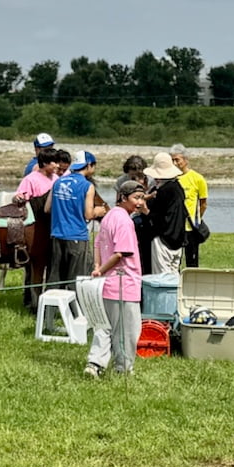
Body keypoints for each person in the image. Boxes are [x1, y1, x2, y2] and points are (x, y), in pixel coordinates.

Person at [85, 180, 147, 378]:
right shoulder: (125, 221)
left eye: (142, 198)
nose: (139, 202)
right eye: (136, 198)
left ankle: (94, 364)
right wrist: (100, 269)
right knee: (128, 331)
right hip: (124, 284)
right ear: (122, 197)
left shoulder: (109, 215)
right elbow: (120, 253)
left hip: (106, 286)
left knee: (104, 327)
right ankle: (123, 368)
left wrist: (97, 268)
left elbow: (97, 244)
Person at [44, 150, 108, 290]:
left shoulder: (58, 182)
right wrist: (99, 211)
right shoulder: (87, 186)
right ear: (89, 165)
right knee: (77, 279)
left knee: (55, 278)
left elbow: (47, 208)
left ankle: (49, 310)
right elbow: (88, 215)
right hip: (76, 236)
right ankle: (76, 311)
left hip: (56, 235)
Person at [142, 152, 187, 274]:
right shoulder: (178, 188)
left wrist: (146, 211)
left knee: (162, 278)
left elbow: (160, 218)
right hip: (178, 238)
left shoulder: (163, 192)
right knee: (175, 277)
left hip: (163, 239)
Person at [170, 143, 209, 268]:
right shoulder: (170, 178)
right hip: (175, 227)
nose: (175, 163)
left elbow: (203, 204)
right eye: (172, 160)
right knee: (174, 261)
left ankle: (192, 285)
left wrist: (196, 219)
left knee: (192, 261)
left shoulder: (197, 178)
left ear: (186, 160)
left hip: (191, 227)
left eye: (177, 160)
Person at [115, 155, 152, 274]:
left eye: (139, 174)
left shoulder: (150, 180)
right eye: (132, 175)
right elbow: (118, 202)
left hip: (143, 218)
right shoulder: (121, 181)